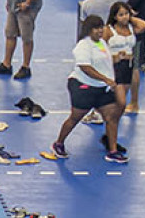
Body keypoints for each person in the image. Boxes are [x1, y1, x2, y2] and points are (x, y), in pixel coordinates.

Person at [51, 17, 126, 164]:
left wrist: (117, 58)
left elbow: (103, 62)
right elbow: (85, 67)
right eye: (96, 28)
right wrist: (105, 79)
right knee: (75, 118)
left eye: (101, 27)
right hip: (84, 88)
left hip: (102, 89)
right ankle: (58, 143)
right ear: (88, 30)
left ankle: (113, 151)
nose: (100, 30)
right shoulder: (83, 46)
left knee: (111, 118)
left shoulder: (102, 43)